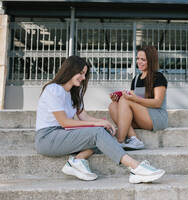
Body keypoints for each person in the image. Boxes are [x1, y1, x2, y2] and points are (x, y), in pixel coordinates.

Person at [35, 55, 165, 183]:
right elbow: (64, 122)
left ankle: (77, 161)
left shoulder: (74, 93)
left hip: (62, 134)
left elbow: (83, 116)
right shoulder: (54, 90)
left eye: (84, 74)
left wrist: (103, 123)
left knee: (104, 131)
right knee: (98, 132)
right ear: (70, 71)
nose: (83, 78)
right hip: (48, 138)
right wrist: (97, 125)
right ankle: (136, 167)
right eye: (80, 73)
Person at [109, 46, 168, 150]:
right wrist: (117, 98)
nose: (139, 62)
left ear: (151, 61)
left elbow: (157, 103)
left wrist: (132, 99)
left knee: (125, 100)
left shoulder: (158, 77)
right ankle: (134, 139)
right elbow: (130, 99)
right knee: (113, 106)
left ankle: (119, 140)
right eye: (138, 58)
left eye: (143, 59)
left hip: (156, 117)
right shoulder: (136, 79)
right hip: (141, 117)